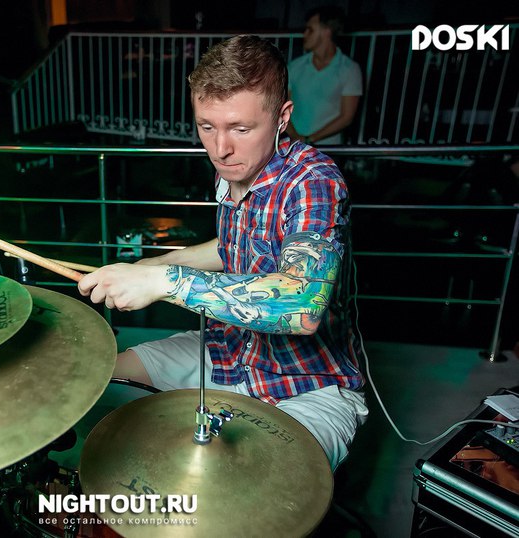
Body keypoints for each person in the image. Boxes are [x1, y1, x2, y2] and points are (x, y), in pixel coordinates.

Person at [78, 34, 367, 471]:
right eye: (207, 127)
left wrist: (165, 281)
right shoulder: (234, 167)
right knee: (97, 380)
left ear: (282, 117)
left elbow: (304, 303)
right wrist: (154, 263)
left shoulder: (313, 181)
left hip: (309, 384)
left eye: (241, 129)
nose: (220, 148)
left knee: (256, 485)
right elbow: (234, 244)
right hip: (230, 350)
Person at [286, 6, 362, 146]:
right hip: (293, 146)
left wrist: (310, 139)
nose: (305, 34)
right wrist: (295, 137)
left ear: (327, 31)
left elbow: (347, 117)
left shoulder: (350, 69)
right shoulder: (295, 66)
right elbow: (282, 106)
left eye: (310, 30)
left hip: (329, 147)